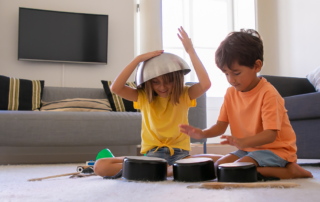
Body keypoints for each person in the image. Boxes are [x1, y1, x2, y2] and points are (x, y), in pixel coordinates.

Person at [179, 29, 313, 179]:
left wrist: (243, 142)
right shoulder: (230, 93)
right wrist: (202, 133)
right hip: (249, 149)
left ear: (256, 66)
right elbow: (220, 126)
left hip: (276, 150)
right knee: (220, 167)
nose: (231, 79)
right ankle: (277, 167)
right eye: (226, 73)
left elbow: (270, 135)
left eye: (236, 73)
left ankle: (291, 171)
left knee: (239, 170)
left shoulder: (268, 93)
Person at [94, 27, 222, 177]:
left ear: (176, 79)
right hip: (152, 157)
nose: (162, 87)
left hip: (181, 156)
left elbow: (205, 84)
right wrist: (138, 59)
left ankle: (165, 170)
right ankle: (170, 170)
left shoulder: (184, 94)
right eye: (156, 82)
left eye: (167, 82)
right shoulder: (143, 97)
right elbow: (115, 88)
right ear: (149, 82)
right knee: (100, 165)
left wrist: (190, 51)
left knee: (224, 161)